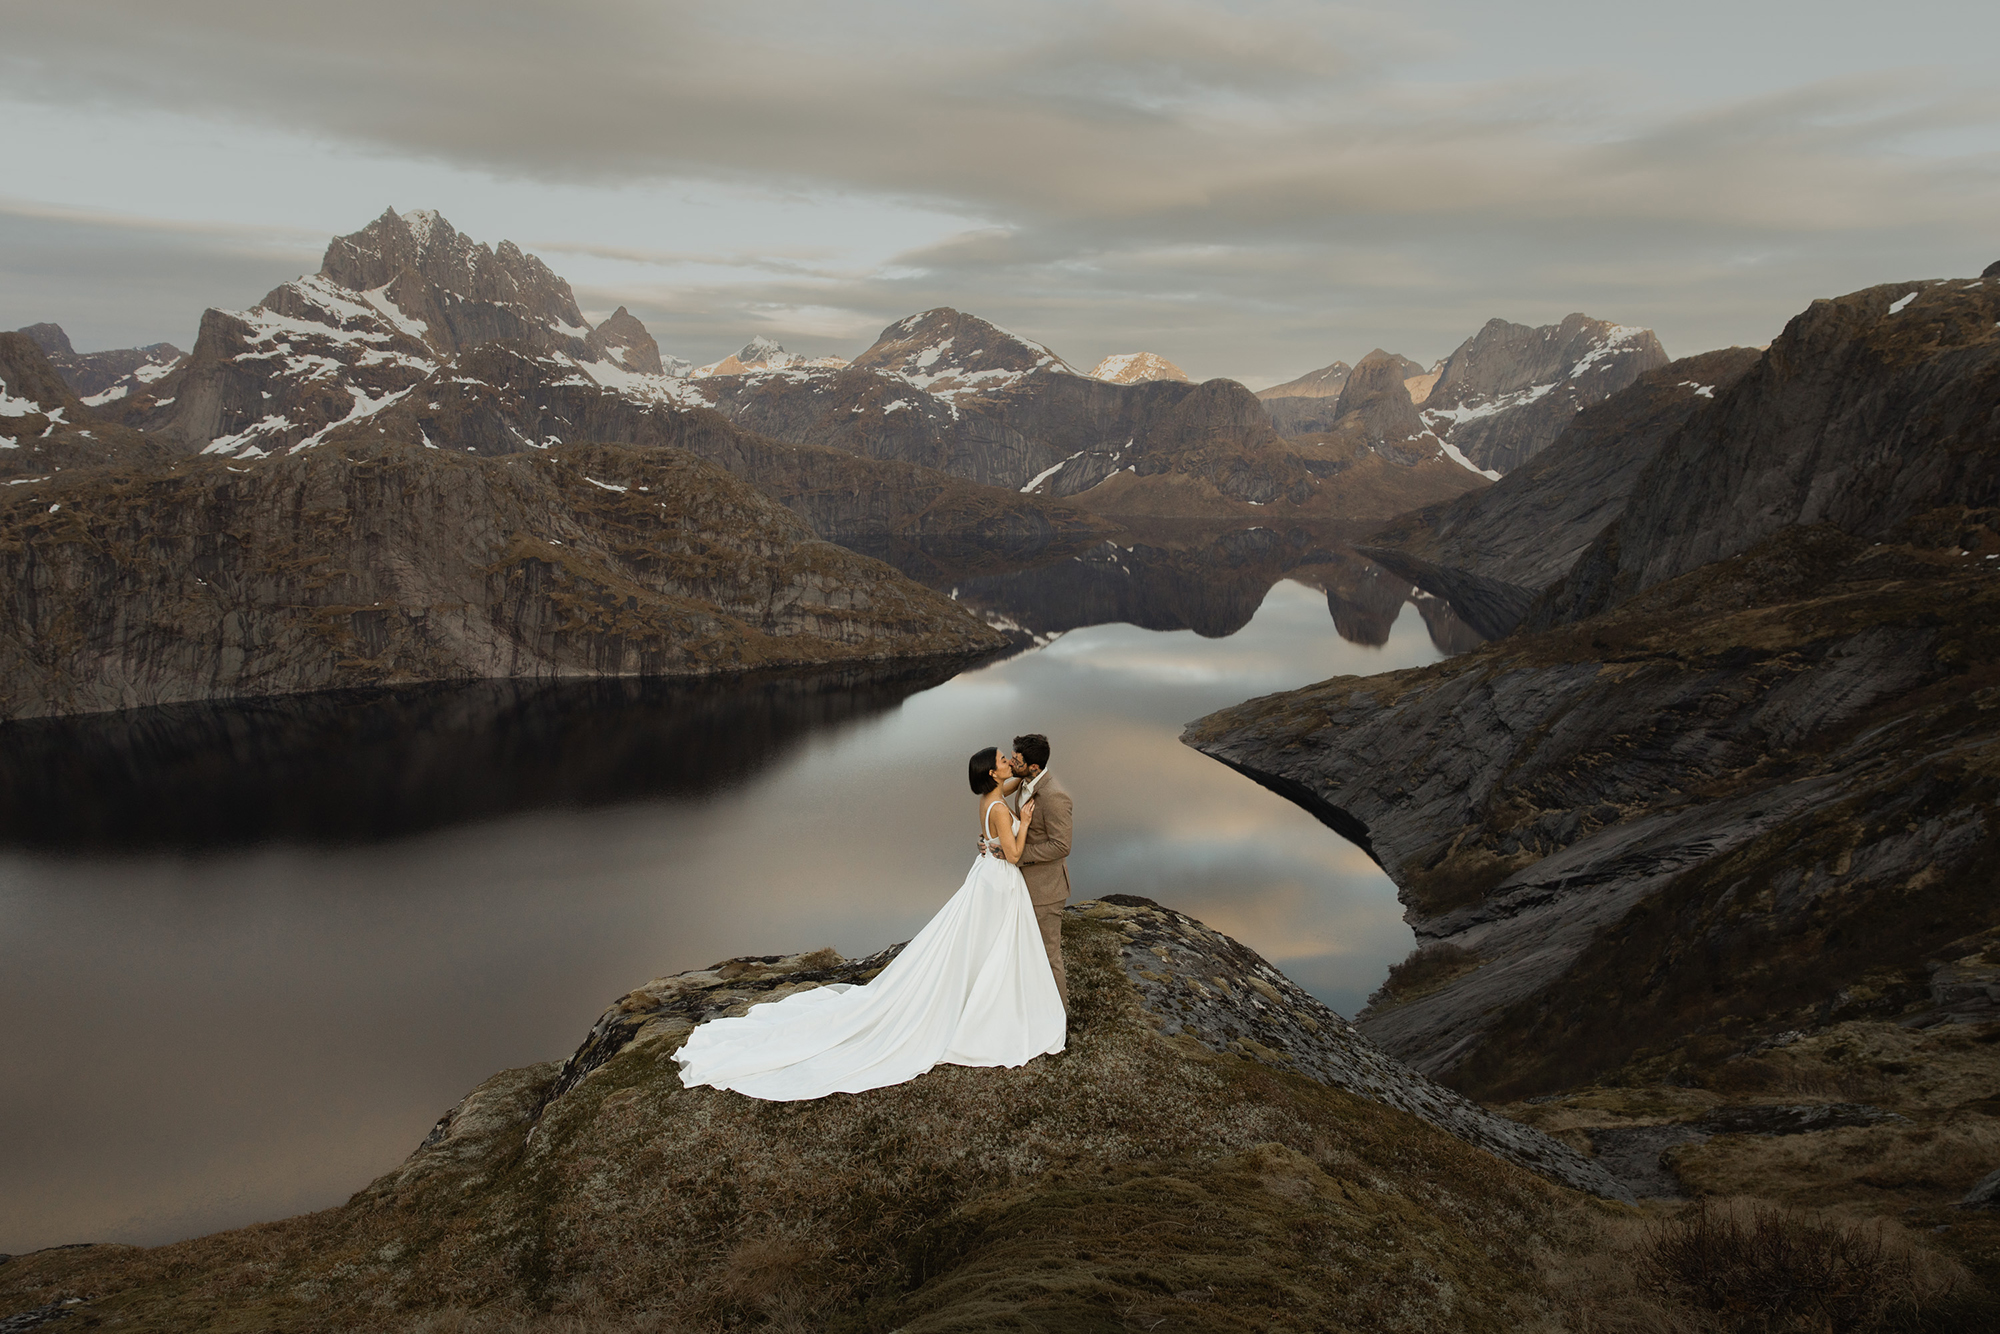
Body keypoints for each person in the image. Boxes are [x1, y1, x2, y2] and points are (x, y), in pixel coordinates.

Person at [673, 746, 1066, 1101]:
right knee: (993, 947)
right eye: (1001, 760)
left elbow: (1014, 786)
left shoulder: (988, 798)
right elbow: (1013, 855)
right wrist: (1027, 820)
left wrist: (1026, 771)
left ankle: (975, 995)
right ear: (994, 775)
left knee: (978, 945)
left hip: (987, 878)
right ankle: (987, 1009)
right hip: (999, 881)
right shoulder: (1000, 808)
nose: (1007, 762)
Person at [1006, 733, 1073, 1014]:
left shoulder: (1055, 797)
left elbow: (1061, 846)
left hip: (1046, 891)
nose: (1011, 762)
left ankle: (1061, 1016)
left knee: (1048, 955)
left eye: (1017, 760)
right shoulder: (1023, 782)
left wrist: (1018, 856)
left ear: (1033, 767)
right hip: (1025, 885)